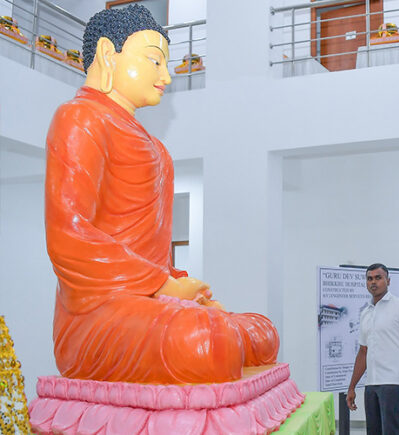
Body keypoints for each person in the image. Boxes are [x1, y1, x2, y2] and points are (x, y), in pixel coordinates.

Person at [45, 5, 278, 384]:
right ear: (107, 54)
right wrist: (164, 286)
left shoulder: (157, 149)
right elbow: (68, 238)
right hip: (95, 313)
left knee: (261, 333)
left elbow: (153, 252)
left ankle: (205, 326)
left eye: (165, 64)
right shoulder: (80, 118)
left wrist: (182, 288)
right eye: (154, 61)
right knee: (208, 341)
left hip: (147, 305)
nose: (166, 76)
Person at [346, 264, 399, 435]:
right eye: (369, 278)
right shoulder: (366, 313)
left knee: (392, 431)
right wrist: (352, 387)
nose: (373, 282)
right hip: (371, 383)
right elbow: (363, 352)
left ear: (388, 281)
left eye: (378, 278)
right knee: (373, 431)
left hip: (394, 382)